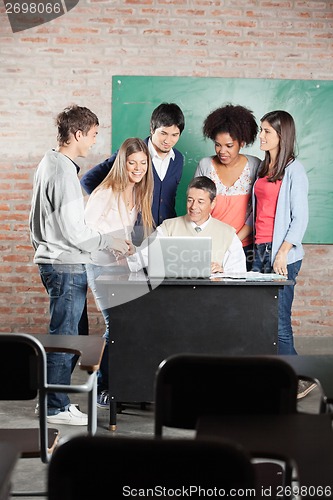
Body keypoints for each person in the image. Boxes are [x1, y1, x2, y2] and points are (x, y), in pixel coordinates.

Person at [29, 105, 132, 425]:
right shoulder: (62, 172)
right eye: (92, 136)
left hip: (56, 261)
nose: (94, 143)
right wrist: (110, 241)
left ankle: (55, 402)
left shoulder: (50, 163)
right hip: (66, 266)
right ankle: (54, 407)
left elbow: (38, 223)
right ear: (76, 134)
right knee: (65, 337)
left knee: (70, 333)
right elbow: (74, 232)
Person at [84, 137, 154, 408]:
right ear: (122, 164)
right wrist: (112, 244)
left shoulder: (137, 193)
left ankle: (124, 383)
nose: (138, 168)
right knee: (115, 324)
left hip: (121, 267)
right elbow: (86, 235)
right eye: (132, 163)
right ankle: (103, 387)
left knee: (129, 323)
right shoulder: (105, 192)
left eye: (143, 163)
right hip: (99, 265)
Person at [251, 110, 314, 398]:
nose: (261, 136)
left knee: (279, 320)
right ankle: (275, 376)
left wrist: (282, 253)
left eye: (267, 131)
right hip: (259, 250)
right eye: (261, 130)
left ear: (281, 135)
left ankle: (300, 378)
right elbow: (258, 215)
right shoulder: (264, 168)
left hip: (281, 254)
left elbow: (300, 218)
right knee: (261, 319)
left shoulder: (294, 170)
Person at [81, 102, 185, 233]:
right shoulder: (132, 153)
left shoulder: (178, 159)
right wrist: (111, 204)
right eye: (163, 133)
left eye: (174, 135)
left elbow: (169, 197)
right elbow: (88, 180)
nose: (168, 140)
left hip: (165, 232)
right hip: (136, 232)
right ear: (152, 129)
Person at [128, 176, 246, 275]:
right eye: (190, 200)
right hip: (173, 294)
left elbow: (239, 273)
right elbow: (142, 257)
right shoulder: (168, 227)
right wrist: (126, 257)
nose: (193, 207)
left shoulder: (228, 233)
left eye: (200, 202)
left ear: (213, 203)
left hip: (213, 296)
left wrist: (223, 271)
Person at [194, 104, 261, 270]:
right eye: (217, 144)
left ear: (242, 142)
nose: (222, 151)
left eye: (229, 146)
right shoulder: (205, 165)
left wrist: (233, 244)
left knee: (241, 295)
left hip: (244, 247)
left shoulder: (255, 166)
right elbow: (196, 207)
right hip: (210, 247)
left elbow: (257, 211)